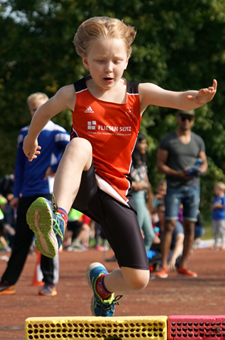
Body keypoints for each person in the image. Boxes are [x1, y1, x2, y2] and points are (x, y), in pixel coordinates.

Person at [23, 17, 216, 316]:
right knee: (79, 144)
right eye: (99, 61)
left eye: (116, 60)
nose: (108, 68)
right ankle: (57, 218)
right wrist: (30, 139)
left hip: (115, 193)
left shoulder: (139, 93)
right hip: (82, 182)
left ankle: (102, 288)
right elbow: (45, 111)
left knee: (138, 278)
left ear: (127, 60)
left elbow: (180, 99)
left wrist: (198, 99)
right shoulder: (73, 94)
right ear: (85, 61)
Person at [0, 92, 70, 296]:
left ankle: (50, 283)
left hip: (48, 192)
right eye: (33, 109)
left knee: (47, 238)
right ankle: (8, 281)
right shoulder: (24, 133)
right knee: (21, 239)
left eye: (41, 107)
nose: (37, 112)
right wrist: (16, 194)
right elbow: (19, 166)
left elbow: (72, 149)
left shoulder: (57, 132)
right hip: (26, 193)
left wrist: (55, 167)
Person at [156, 109, 208, 278]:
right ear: (178, 118)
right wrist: (177, 173)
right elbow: (160, 165)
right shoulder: (168, 140)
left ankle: (183, 264)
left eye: (190, 118)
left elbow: (204, 163)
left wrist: (199, 171)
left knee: (190, 226)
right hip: (174, 186)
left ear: (193, 121)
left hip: (193, 187)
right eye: (184, 117)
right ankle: (163, 265)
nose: (186, 121)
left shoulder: (198, 140)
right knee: (169, 224)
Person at [131, 132, 159, 253]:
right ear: (136, 144)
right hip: (136, 197)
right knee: (135, 233)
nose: (146, 146)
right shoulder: (129, 161)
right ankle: (130, 262)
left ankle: (142, 263)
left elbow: (147, 183)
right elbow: (127, 182)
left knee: (150, 236)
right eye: (143, 143)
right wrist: (138, 185)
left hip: (143, 198)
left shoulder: (141, 162)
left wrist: (149, 202)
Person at [151, 203, 184, 276]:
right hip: (158, 252)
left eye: (167, 211)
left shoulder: (176, 224)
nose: (165, 214)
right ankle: (159, 264)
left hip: (172, 253)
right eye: (162, 212)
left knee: (180, 253)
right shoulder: (155, 225)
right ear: (158, 213)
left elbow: (180, 240)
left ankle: (170, 263)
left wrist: (173, 259)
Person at [211, 182, 225, 250]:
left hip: (221, 217)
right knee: (215, 231)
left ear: (221, 190)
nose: (215, 191)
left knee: (222, 231)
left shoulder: (223, 198)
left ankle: (223, 244)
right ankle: (216, 244)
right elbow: (212, 207)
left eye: (216, 189)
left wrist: (218, 205)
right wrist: (213, 207)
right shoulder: (215, 198)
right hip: (215, 217)